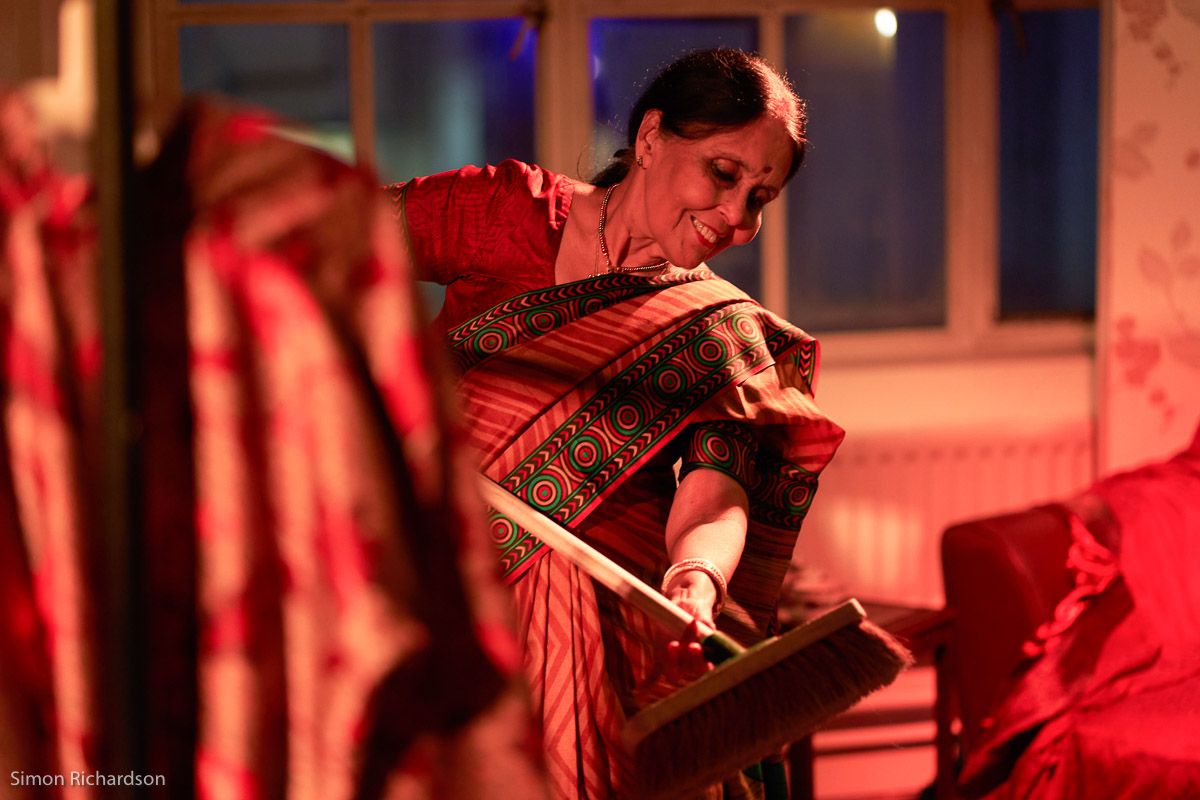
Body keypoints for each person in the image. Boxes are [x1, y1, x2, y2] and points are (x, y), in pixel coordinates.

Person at [388, 49, 845, 799]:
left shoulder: (715, 330)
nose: (737, 218)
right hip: (449, 600)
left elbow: (716, 491)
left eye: (760, 197)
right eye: (723, 173)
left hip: (602, 635)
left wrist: (696, 579)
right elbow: (324, 241)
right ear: (652, 137)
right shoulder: (505, 213)